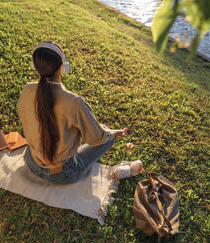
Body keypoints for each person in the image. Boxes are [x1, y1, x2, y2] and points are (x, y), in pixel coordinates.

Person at [17, 41, 128, 184]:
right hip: (62, 174)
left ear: (34, 65)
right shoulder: (73, 102)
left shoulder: (27, 90)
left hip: (31, 162)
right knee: (106, 135)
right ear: (63, 67)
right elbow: (95, 138)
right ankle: (110, 134)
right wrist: (112, 133)